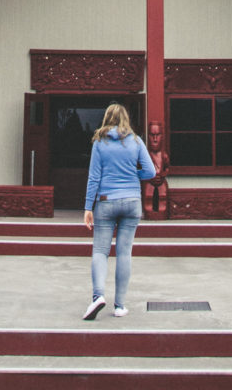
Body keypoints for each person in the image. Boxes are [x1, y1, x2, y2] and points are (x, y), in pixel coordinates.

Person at [82, 103, 156, 320]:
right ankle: (120, 305)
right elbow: (151, 171)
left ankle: (98, 297)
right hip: (132, 201)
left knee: (100, 251)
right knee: (124, 253)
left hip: (106, 201)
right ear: (126, 119)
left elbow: (94, 176)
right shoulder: (136, 140)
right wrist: (133, 176)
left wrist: (88, 207)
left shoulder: (99, 142)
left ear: (107, 118)